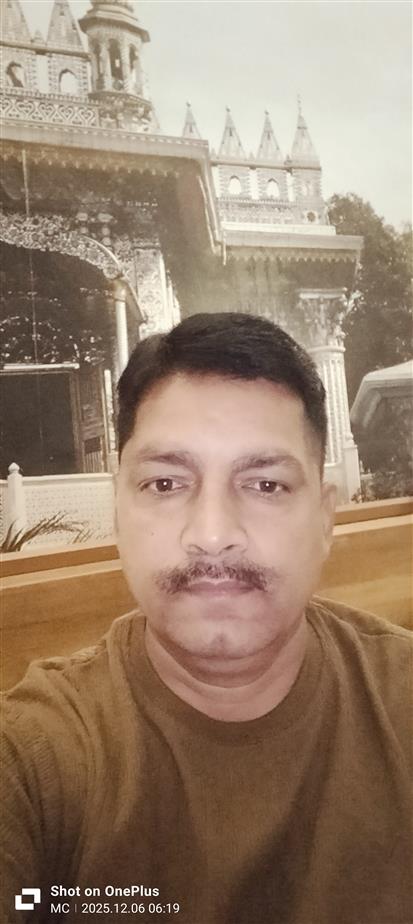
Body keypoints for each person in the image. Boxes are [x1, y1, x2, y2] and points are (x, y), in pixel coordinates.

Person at [1, 312, 412, 924]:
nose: (213, 534)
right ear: (118, 513)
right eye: (166, 483)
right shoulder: (34, 756)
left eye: (265, 485)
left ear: (326, 520)